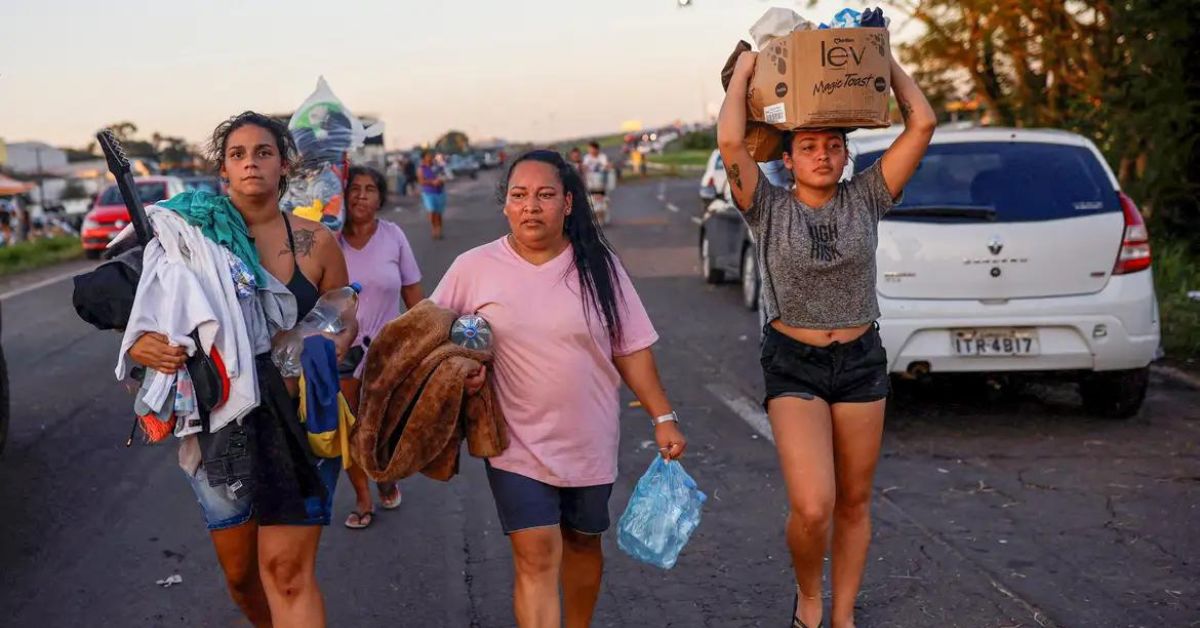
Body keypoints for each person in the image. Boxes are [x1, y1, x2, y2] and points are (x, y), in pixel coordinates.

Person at [717, 47, 935, 628]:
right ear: (788, 160)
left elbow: (923, 122)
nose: (822, 155)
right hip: (794, 363)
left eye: (832, 146)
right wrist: (743, 74)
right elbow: (734, 145)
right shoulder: (765, 208)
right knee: (814, 505)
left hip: (862, 361)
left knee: (855, 501)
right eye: (808, 147)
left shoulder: (868, 196)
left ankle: (843, 616)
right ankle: (808, 595)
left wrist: (880, 66)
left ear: (845, 155)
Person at [432, 149, 687, 628]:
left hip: (589, 440)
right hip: (514, 444)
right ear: (505, 205)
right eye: (519, 195)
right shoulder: (473, 267)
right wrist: (458, 371)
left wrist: (663, 416)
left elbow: (630, 347)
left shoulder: (599, 267)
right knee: (535, 557)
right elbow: (431, 338)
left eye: (545, 195)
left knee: (583, 542)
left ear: (568, 203)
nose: (531, 206)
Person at [128, 111, 358, 628]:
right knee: (241, 576)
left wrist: (319, 354)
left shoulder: (316, 242)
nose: (251, 162)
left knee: (288, 573)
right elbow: (133, 308)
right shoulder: (186, 240)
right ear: (223, 173)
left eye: (263, 152)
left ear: (285, 165)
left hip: (301, 419)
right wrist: (143, 345)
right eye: (238, 155)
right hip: (222, 424)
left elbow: (344, 317)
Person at [337, 165, 425, 529]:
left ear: (380, 197)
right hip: (340, 350)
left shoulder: (393, 236)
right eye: (354, 188)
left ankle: (385, 472)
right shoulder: (327, 238)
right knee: (350, 427)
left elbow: (414, 296)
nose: (361, 195)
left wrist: (424, 343)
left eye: (370, 189)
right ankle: (362, 498)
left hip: (386, 351)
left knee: (383, 426)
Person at [416, 150, 447, 240]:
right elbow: (421, 181)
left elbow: (444, 176)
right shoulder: (421, 168)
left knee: (439, 213)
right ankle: (434, 229)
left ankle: (439, 230)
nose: (430, 157)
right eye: (428, 156)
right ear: (424, 157)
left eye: (431, 156)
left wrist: (441, 180)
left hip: (440, 192)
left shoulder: (437, 167)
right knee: (432, 211)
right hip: (428, 193)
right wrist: (432, 182)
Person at [581, 141, 611, 225]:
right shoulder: (587, 157)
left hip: (602, 181)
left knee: (603, 199)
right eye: (589, 149)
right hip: (591, 181)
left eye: (592, 149)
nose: (591, 151)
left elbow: (607, 166)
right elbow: (584, 167)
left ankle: (604, 214)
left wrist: (607, 167)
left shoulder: (602, 157)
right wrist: (584, 169)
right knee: (592, 200)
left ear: (596, 149)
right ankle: (596, 215)